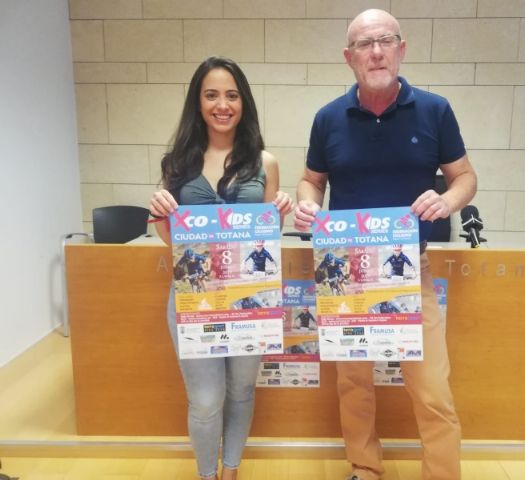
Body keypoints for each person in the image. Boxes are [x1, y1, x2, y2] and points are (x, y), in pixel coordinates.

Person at [293, 9, 477, 480]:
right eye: (364, 44)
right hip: (347, 275)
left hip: (410, 269)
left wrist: (448, 199)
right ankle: (365, 467)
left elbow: (465, 177)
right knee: (354, 383)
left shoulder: (434, 110)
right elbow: (312, 180)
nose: (376, 52)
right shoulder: (328, 118)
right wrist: (308, 203)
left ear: (401, 49)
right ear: (348, 57)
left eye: (385, 41)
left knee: (432, 389)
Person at [148, 57, 293, 480]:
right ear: (198, 102)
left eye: (232, 95)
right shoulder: (176, 164)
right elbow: (172, 240)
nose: (222, 105)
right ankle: (206, 474)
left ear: (243, 102)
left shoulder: (264, 162)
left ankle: (230, 470)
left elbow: (266, 236)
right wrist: (159, 213)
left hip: (250, 297)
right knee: (206, 399)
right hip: (193, 298)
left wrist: (279, 211)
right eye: (211, 95)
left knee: (241, 389)